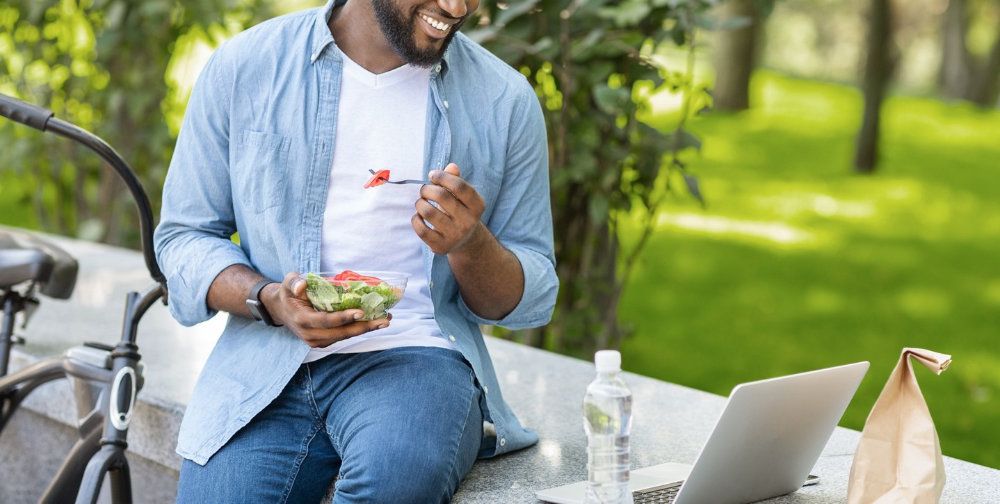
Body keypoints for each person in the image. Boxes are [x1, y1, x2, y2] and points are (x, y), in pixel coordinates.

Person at [153, 0, 557, 502]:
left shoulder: (504, 100)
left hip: (417, 359)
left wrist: (470, 244)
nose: (456, 7)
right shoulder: (246, 67)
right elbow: (183, 238)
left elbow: (529, 298)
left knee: (395, 481)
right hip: (267, 361)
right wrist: (270, 299)